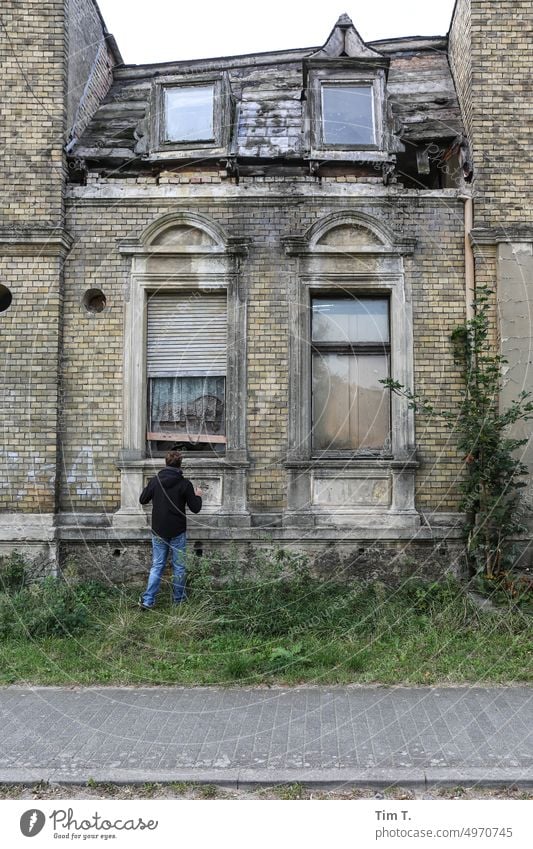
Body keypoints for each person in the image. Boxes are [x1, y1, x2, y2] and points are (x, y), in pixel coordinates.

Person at [138, 449, 203, 610]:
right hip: (178, 531)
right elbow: (195, 508)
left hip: (159, 531)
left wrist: (150, 487)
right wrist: (199, 495)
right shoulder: (185, 484)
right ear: (180, 465)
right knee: (179, 566)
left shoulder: (155, 481)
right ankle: (178, 600)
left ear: (166, 463)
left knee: (157, 565)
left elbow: (142, 499)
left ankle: (148, 601)